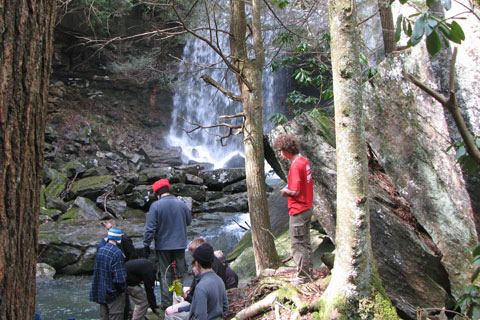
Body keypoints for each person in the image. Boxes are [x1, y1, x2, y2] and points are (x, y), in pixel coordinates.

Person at [143, 178, 192, 309]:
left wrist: (146, 244)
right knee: (180, 273)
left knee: (165, 275)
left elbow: (150, 229)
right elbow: (189, 220)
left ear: (158, 194)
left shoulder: (155, 206)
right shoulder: (181, 204)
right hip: (180, 245)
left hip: (163, 247)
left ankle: (167, 304)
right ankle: (180, 300)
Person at [273, 134, 314, 285]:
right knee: (306, 242)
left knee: (297, 245)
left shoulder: (296, 166)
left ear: (286, 150)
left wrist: (285, 192)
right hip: (307, 207)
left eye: (280, 151)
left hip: (298, 210)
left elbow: (295, 191)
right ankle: (308, 273)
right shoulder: (304, 161)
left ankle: (303, 277)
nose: (279, 154)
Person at [164, 239, 227, 317]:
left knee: (169, 315)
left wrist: (180, 308)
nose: (193, 257)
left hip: (199, 304)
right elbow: (225, 308)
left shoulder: (201, 287)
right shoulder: (218, 280)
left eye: (194, 254)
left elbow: (200, 314)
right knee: (177, 293)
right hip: (211, 309)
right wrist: (187, 293)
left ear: (198, 263)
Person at [90, 228, 128, 320]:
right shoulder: (117, 253)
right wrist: (123, 291)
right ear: (118, 240)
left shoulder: (100, 250)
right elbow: (119, 278)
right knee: (116, 316)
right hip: (114, 294)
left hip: (101, 291)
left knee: (103, 317)